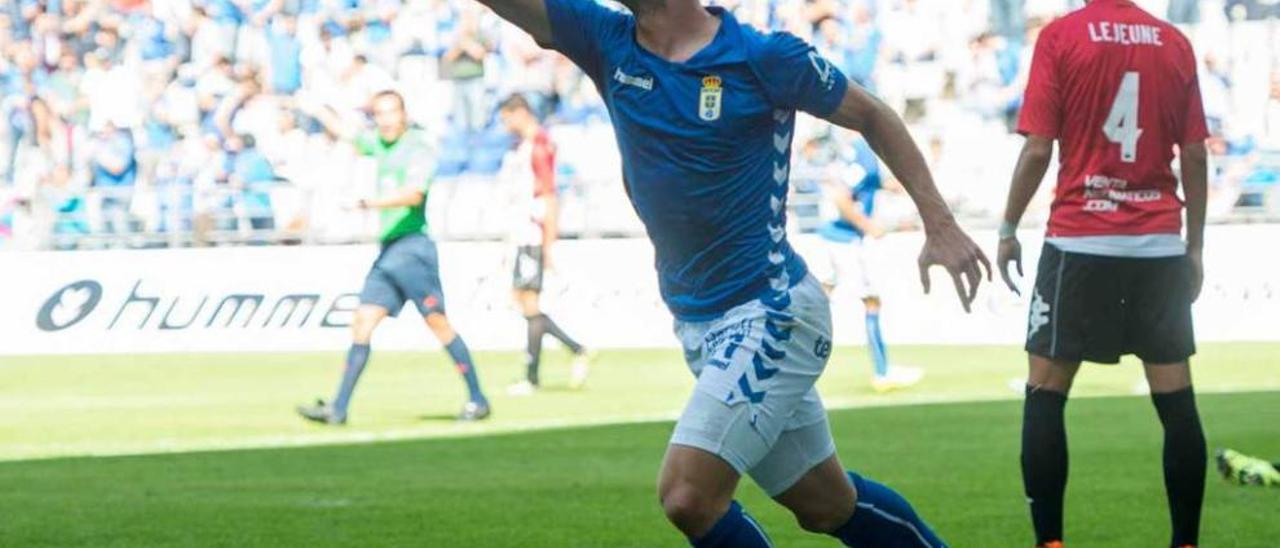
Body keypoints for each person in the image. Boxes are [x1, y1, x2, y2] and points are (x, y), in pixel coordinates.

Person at [471, 0, 990, 545]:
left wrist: (941, 223)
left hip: (770, 313)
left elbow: (873, 114)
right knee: (826, 505)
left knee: (688, 497)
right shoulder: (606, 38)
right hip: (699, 322)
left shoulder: (762, 56)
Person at [996, 2, 1210, 547]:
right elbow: (1194, 154)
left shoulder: (1062, 36)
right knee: (1176, 397)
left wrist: (1007, 226)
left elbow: (1038, 147)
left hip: (1080, 239)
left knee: (1045, 390)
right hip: (1159, 241)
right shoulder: (1173, 42)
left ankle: (1051, 542)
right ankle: (1185, 541)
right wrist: (1194, 247)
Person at [297, 90, 491, 425]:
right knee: (362, 322)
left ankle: (478, 398)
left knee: (438, 324)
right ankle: (338, 408)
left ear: (403, 114)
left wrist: (368, 203)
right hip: (389, 250)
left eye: (391, 113)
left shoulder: (418, 147)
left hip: (413, 249)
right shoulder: (380, 144)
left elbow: (415, 195)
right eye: (380, 114)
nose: (385, 120)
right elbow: (350, 134)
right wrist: (317, 108)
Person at [810, 134, 925, 394]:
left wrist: (891, 185)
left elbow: (860, 184)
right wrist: (868, 225)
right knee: (871, 300)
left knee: (818, 298)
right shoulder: (861, 149)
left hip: (832, 235)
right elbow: (840, 195)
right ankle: (882, 373)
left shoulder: (854, 150)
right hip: (845, 239)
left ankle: (787, 364)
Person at [496, 94, 593, 396]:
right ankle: (574, 350)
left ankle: (533, 376)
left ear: (519, 114)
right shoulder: (524, 147)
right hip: (523, 234)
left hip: (532, 235)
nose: (504, 126)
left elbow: (549, 194)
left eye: (506, 119)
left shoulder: (538, 146)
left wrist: (549, 242)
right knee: (523, 300)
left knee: (529, 303)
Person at [1216, 449, 1280, 487]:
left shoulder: (1233, 458)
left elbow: (1221, 451)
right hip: (1261, 468)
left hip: (1260, 466)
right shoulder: (1232, 479)